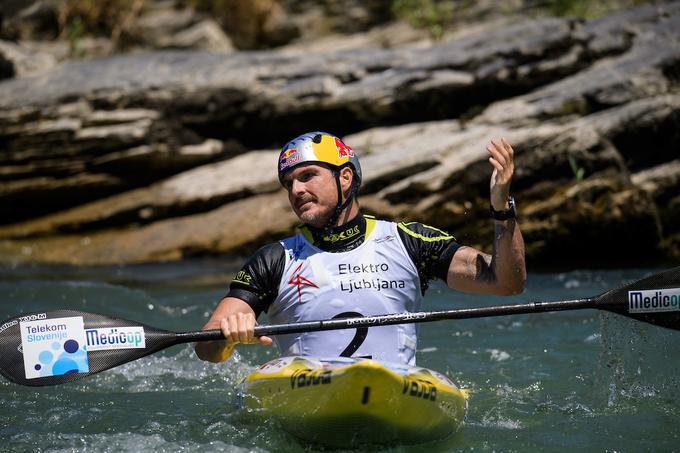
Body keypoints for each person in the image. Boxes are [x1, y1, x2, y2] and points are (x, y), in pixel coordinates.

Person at [195, 131, 526, 365]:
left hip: (396, 393)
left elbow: (505, 283)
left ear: (345, 179)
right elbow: (205, 349)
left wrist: (502, 208)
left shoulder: (409, 241)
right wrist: (225, 333)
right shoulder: (274, 259)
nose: (296, 190)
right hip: (307, 400)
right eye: (289, 184)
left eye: (308, 175)